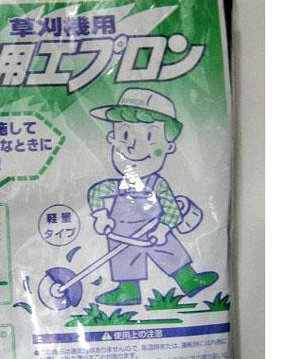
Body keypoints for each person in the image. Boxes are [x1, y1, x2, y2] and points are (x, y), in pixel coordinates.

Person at [87, 88, 218, 306]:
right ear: (111, 139)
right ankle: (128, 292)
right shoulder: (115, 186)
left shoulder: (157, 185)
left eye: (149, 137)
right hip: (121, 234)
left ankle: (189, 280)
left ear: (169, 147)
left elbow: (171, 209)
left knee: (170, 251)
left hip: (154, 230)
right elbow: (97, 193)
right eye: (125, 135)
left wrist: (163, 229)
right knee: (124, 261)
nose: (133, 146)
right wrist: (101, 217)